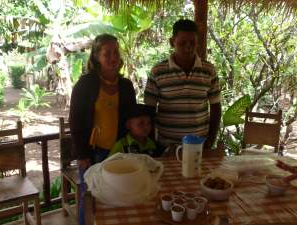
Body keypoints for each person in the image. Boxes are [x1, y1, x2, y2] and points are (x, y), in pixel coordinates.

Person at [144, 19, 221, 149]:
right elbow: (149, 109)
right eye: (182, 43)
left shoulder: (209, 70)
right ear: (172, 42)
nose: (188, 47)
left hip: (199, 145)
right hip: (166, 146)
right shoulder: (158, 71)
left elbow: (215, 107)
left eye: (192, 43)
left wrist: (210, 141)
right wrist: (152, 143)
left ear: (198, 43)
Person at [69, 34, 136, 171]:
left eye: (116, 52)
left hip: (120, 151)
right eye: (107, 53)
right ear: (96, 57)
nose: (113, 57)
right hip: (92, 153)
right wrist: (82, 155)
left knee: (118, 190)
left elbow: (132, 118)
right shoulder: (85, 84)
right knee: (94, 191)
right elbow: (75, 122)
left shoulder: (126, 85)